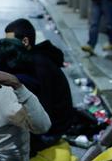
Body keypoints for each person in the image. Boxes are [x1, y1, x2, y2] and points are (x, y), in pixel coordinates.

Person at [4, 19, 75, 149]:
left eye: (10, 42)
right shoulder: (31, 58)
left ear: (25, 41)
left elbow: (43, 116)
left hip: (51, 131)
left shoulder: (39, 65)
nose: (7, 47)